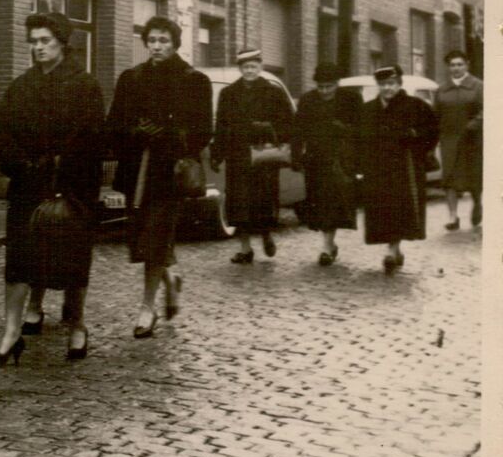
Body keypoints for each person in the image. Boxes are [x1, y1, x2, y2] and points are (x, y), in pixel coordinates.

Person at [0, 12, 104, 364]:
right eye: (34, 41)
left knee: (71, 260)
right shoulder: (21, 86)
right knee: (19, 260)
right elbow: (5, 134)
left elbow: (91, 139)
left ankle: (76, 326)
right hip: (28, 185)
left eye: (45, 41)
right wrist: (21, 164)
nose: (38, 47)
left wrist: (59, 164)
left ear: (62, 42)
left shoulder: (84, 85)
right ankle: (11, 333)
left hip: (69, 187)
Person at [106, 17, 212, 338]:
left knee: (155, 236)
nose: (156, 46)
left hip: (169, 175)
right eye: (151, 40)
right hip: (137, 173)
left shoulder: (193, 81)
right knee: (143, 238)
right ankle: (171, 276)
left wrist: (169, 135)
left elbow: (203, 131)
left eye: (164, 40)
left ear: (175, 43)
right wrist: (134, 132)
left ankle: (146, 308)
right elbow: (114, 125)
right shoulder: (131, 78)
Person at [212, 49, 294, 264]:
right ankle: (245, 248)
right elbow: (221, 125)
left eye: (254, 67)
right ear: (240, 69)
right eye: (245, 67)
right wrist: (217, 154)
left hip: (263, 156)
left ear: (260, 67)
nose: (250, 71)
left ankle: (266, 234)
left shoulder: (272, 92)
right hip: (237, 156)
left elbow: (287, 122)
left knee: (264, 201)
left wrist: (271, 130)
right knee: (239, 204)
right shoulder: (228, 94)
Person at [359, 65, 440, 273]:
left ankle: (392, 250)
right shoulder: (368, 109)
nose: (387, 88)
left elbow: (432, 131)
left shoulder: (416, 106)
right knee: (381, 209)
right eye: (383, 84)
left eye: (392, 84)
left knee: (399, 208)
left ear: (399, 84)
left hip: (405, 167)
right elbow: (359, 138)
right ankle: (393, 249)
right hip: (377, 168)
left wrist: (414, 137)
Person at [292, 61, 364, 265]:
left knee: (335, 203)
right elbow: (298, 130)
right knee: (321, 204)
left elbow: (362, 131)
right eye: (320, 86)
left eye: (329, 87)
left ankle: (327, 245)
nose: (324, 91)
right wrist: (296, 156)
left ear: (337, 83)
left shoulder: (351, 99)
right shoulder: (307, 100)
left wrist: (345, 130)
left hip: (342, 160)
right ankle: (328, 245)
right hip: (316, 159)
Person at [434, 50, 483, 231]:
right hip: (449, 140)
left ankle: (477, 204)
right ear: (448, 67)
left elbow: (487, 109)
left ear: (467, 65)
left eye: (459, 64)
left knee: (474, 177)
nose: (456, 68)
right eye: (453, 65)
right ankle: (453, 217)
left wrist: (474, 124)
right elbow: (435, 114)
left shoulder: (478, 86)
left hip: (473, 140)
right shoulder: (442, 89)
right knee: (449, 179)